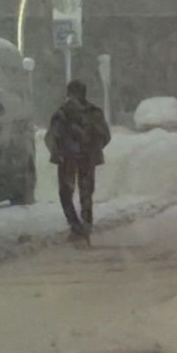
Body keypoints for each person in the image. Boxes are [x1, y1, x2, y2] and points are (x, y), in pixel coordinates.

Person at [45, 80, 111, 241]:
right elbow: (105, 135)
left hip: (66, 159)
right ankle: (85, 224)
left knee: (66, 194)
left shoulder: (61, 114)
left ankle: (75, 226)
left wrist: (58, 152)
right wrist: (93, 147)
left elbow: (51, 136)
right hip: (86, 158)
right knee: (86, 193)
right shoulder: (93, 113)